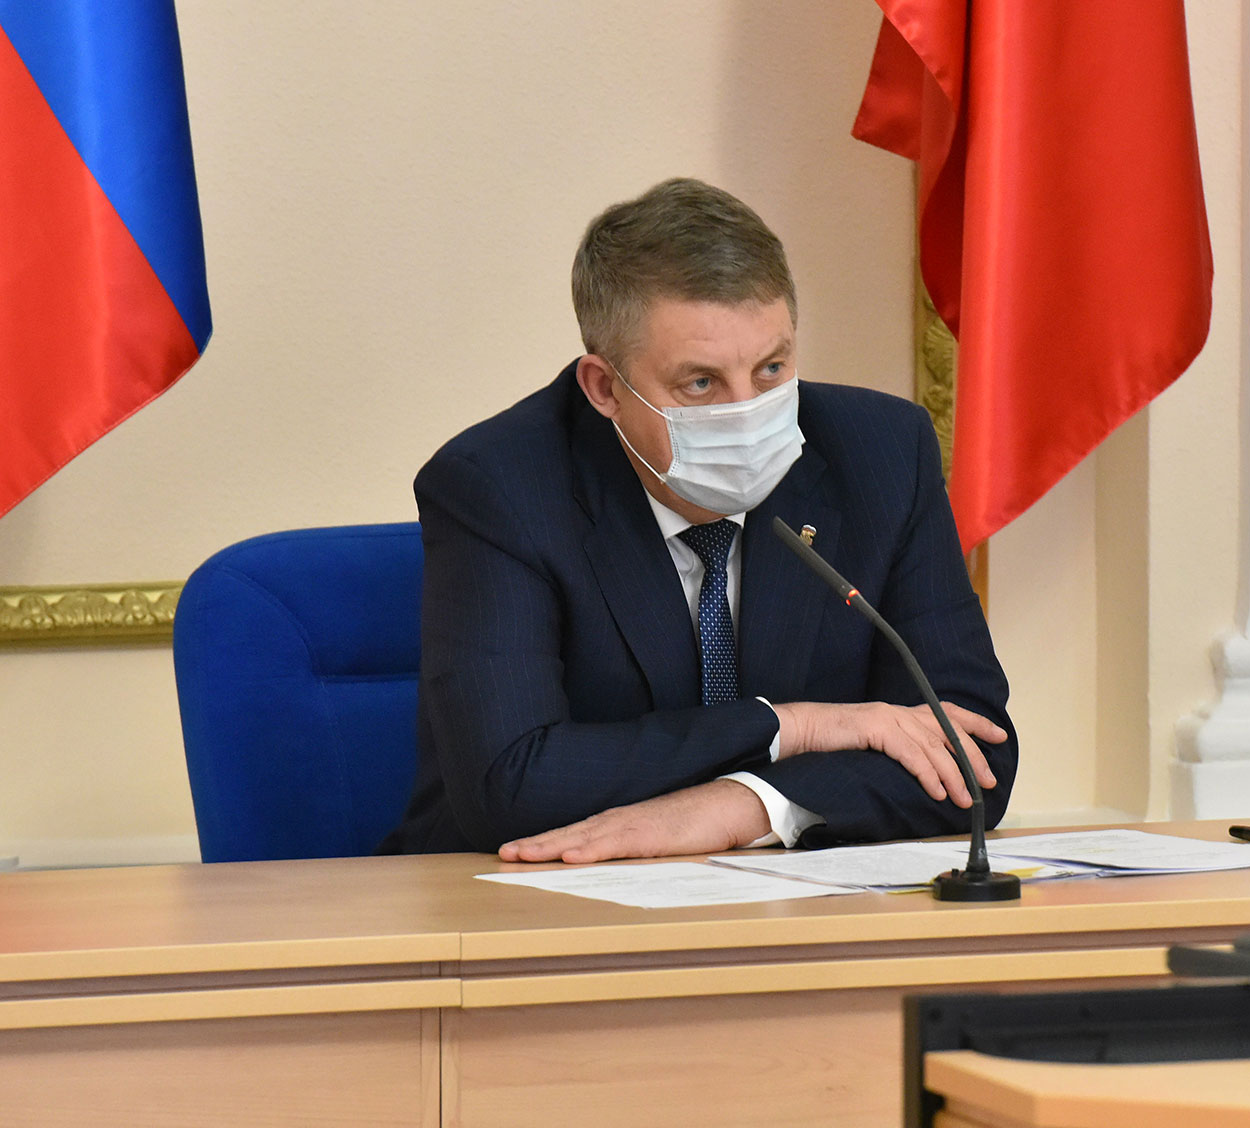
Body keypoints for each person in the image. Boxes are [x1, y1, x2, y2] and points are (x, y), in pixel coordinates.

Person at [380, 178, 1016, 861]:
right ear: (604, 387)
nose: (746, 412)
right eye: (701, 383)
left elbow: (972, 752)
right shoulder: (500, 487)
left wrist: (746, 805)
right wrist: (790, 728)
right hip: (516, 900)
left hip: (787, 900)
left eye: (771, 369)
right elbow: (510, 784)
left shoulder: (881, 455)